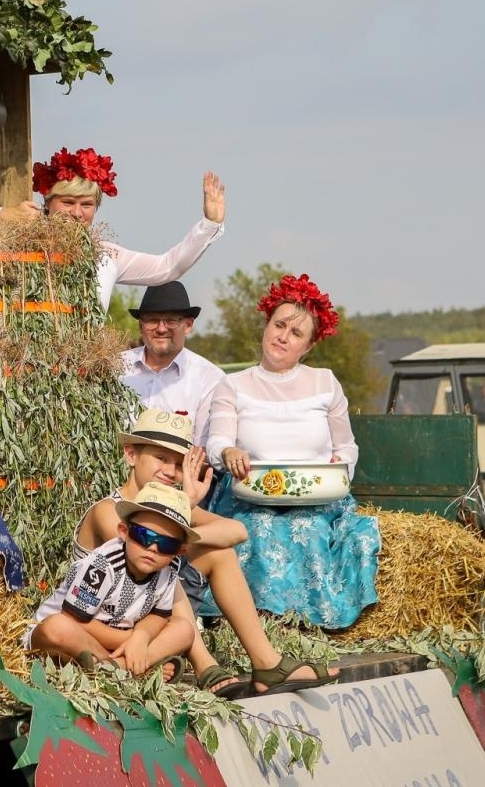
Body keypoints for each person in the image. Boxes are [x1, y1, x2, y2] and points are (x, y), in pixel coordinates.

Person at [76, 409, 337, 696]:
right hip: (107, 617)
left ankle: (266, 663)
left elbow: (237, 532)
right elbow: (144, 563)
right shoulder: (108, 510)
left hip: (149, 611)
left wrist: (184, 518)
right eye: (160, 459)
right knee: (163, 565)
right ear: (131, 455)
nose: (170, 471)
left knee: (219, 555)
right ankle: (203, 665)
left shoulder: (173, 504)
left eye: (178, 464)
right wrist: (176, 537)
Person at [206, 273, 381, 629]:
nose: (283, 336)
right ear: (267, 324)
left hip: (315, 498)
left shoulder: (325, 383)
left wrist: (340, 465)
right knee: (258, 527)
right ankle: (254, 623)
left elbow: (346, 447)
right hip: (250, 495)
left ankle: (305, 625)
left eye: (295, 333)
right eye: (279, 325)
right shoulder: (233, 385)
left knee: (310, 529)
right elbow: (216, 442)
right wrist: (229, 453)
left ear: (309, 346)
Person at [27, 482, 197, 679]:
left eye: (167, 544)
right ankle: (131, 667)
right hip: (72, 633)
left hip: (117, 641)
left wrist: (142, 637)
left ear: (179, 552)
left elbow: (159, 616)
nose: (153, 548)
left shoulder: (168, 570)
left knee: (184, 629)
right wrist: (129, 640)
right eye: (144, 536)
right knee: (55, 627)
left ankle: (121, 665)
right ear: (124, 532)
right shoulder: (102, 565)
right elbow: (75, 619)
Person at [29, 146, 225, 310]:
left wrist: (209, 225)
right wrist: (0, 214)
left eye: (87, 205)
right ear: (48, 203)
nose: (77, 213)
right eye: (68, 202)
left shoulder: (105, 255)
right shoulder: (20, 239)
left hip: (84, 355)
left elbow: (167, 267)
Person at [120, 282, 226, 452]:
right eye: (152, 320)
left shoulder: (210, 379)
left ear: (188, 325)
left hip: (178, 477)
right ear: (141, 326)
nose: (161, 328)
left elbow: (201, 452)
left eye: (171, 320)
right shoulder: (113, 368)